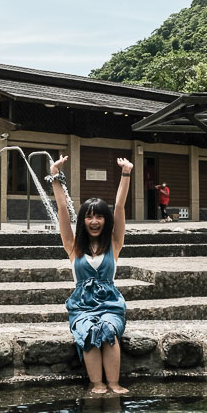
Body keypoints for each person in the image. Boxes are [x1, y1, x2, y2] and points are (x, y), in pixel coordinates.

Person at [48, 154, 132, 395]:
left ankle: (114, 383)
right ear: (83, 221)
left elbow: (119, 207)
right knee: (89, 332)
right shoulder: (73, 247)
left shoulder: (114, 245)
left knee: (108, 330)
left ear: (105, 220)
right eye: (89, 216)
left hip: (111, 306)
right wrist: (55, 175)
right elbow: (63, 208)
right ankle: (97, 384)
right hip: (82, 308)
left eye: (99, 216)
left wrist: (126, 173)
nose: (94, 221)